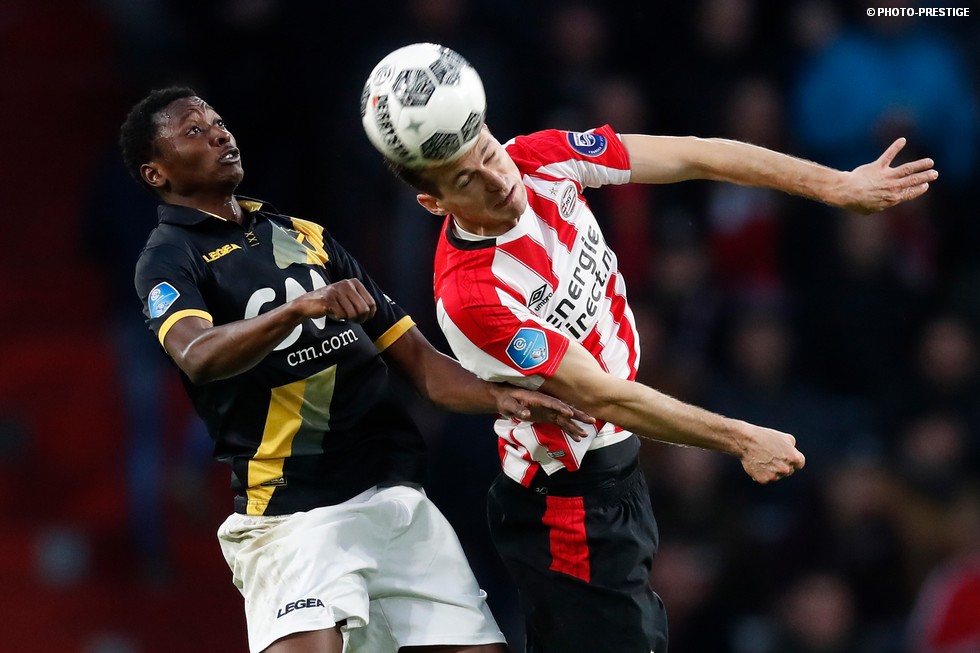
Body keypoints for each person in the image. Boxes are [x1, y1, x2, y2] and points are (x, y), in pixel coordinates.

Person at [363, 45, 938, 653]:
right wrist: (741, 438)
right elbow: (604, 396)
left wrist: (836, 185)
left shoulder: (540, 156)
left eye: (486, 151)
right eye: (465, 180)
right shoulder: (475, 295)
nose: (497, 179)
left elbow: (696, 154)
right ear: (434, 203)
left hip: (614, 477)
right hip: (567, 506)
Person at [120, 86, 596, 653]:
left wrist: (501, 397)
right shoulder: (168, 258)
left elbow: (418, 361)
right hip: (295, 515)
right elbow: (197, 355)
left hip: (394, 497)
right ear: (156, 173)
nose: (220, 134)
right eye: (194, 131)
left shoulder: (302, 234)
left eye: (218, 122)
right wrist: (297, 309)